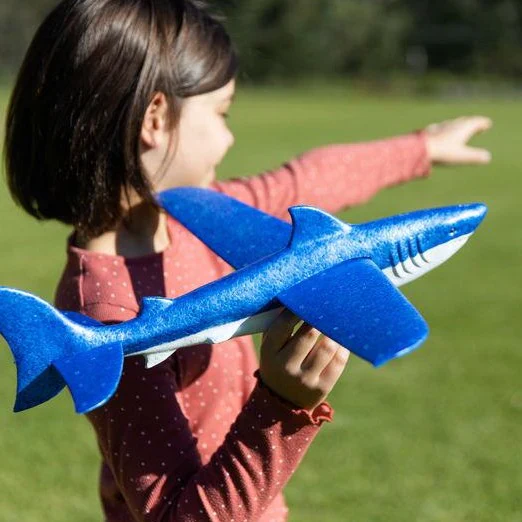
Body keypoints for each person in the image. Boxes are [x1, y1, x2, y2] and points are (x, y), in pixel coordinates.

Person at [3, 1, 491, 520]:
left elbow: (309, 179)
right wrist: (280, 404)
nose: (230, 136)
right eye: (222, 113)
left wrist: (421, 148)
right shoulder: (109, 311)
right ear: (156, 118)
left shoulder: (204, 213)